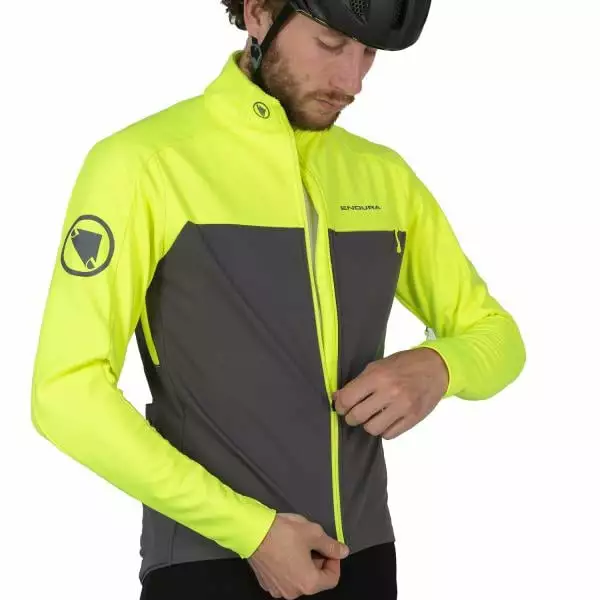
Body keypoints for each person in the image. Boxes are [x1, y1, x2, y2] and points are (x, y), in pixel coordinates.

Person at [30, 0, 526, 598]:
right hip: (207, 565)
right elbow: (66, 394)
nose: (353, 81)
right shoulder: (143, 165)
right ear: (260, 13)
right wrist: (253, 533)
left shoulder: (384, 177)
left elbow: (498, 336)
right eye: (331, 44)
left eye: (369, 53)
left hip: (363, 562)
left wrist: (440, 366)